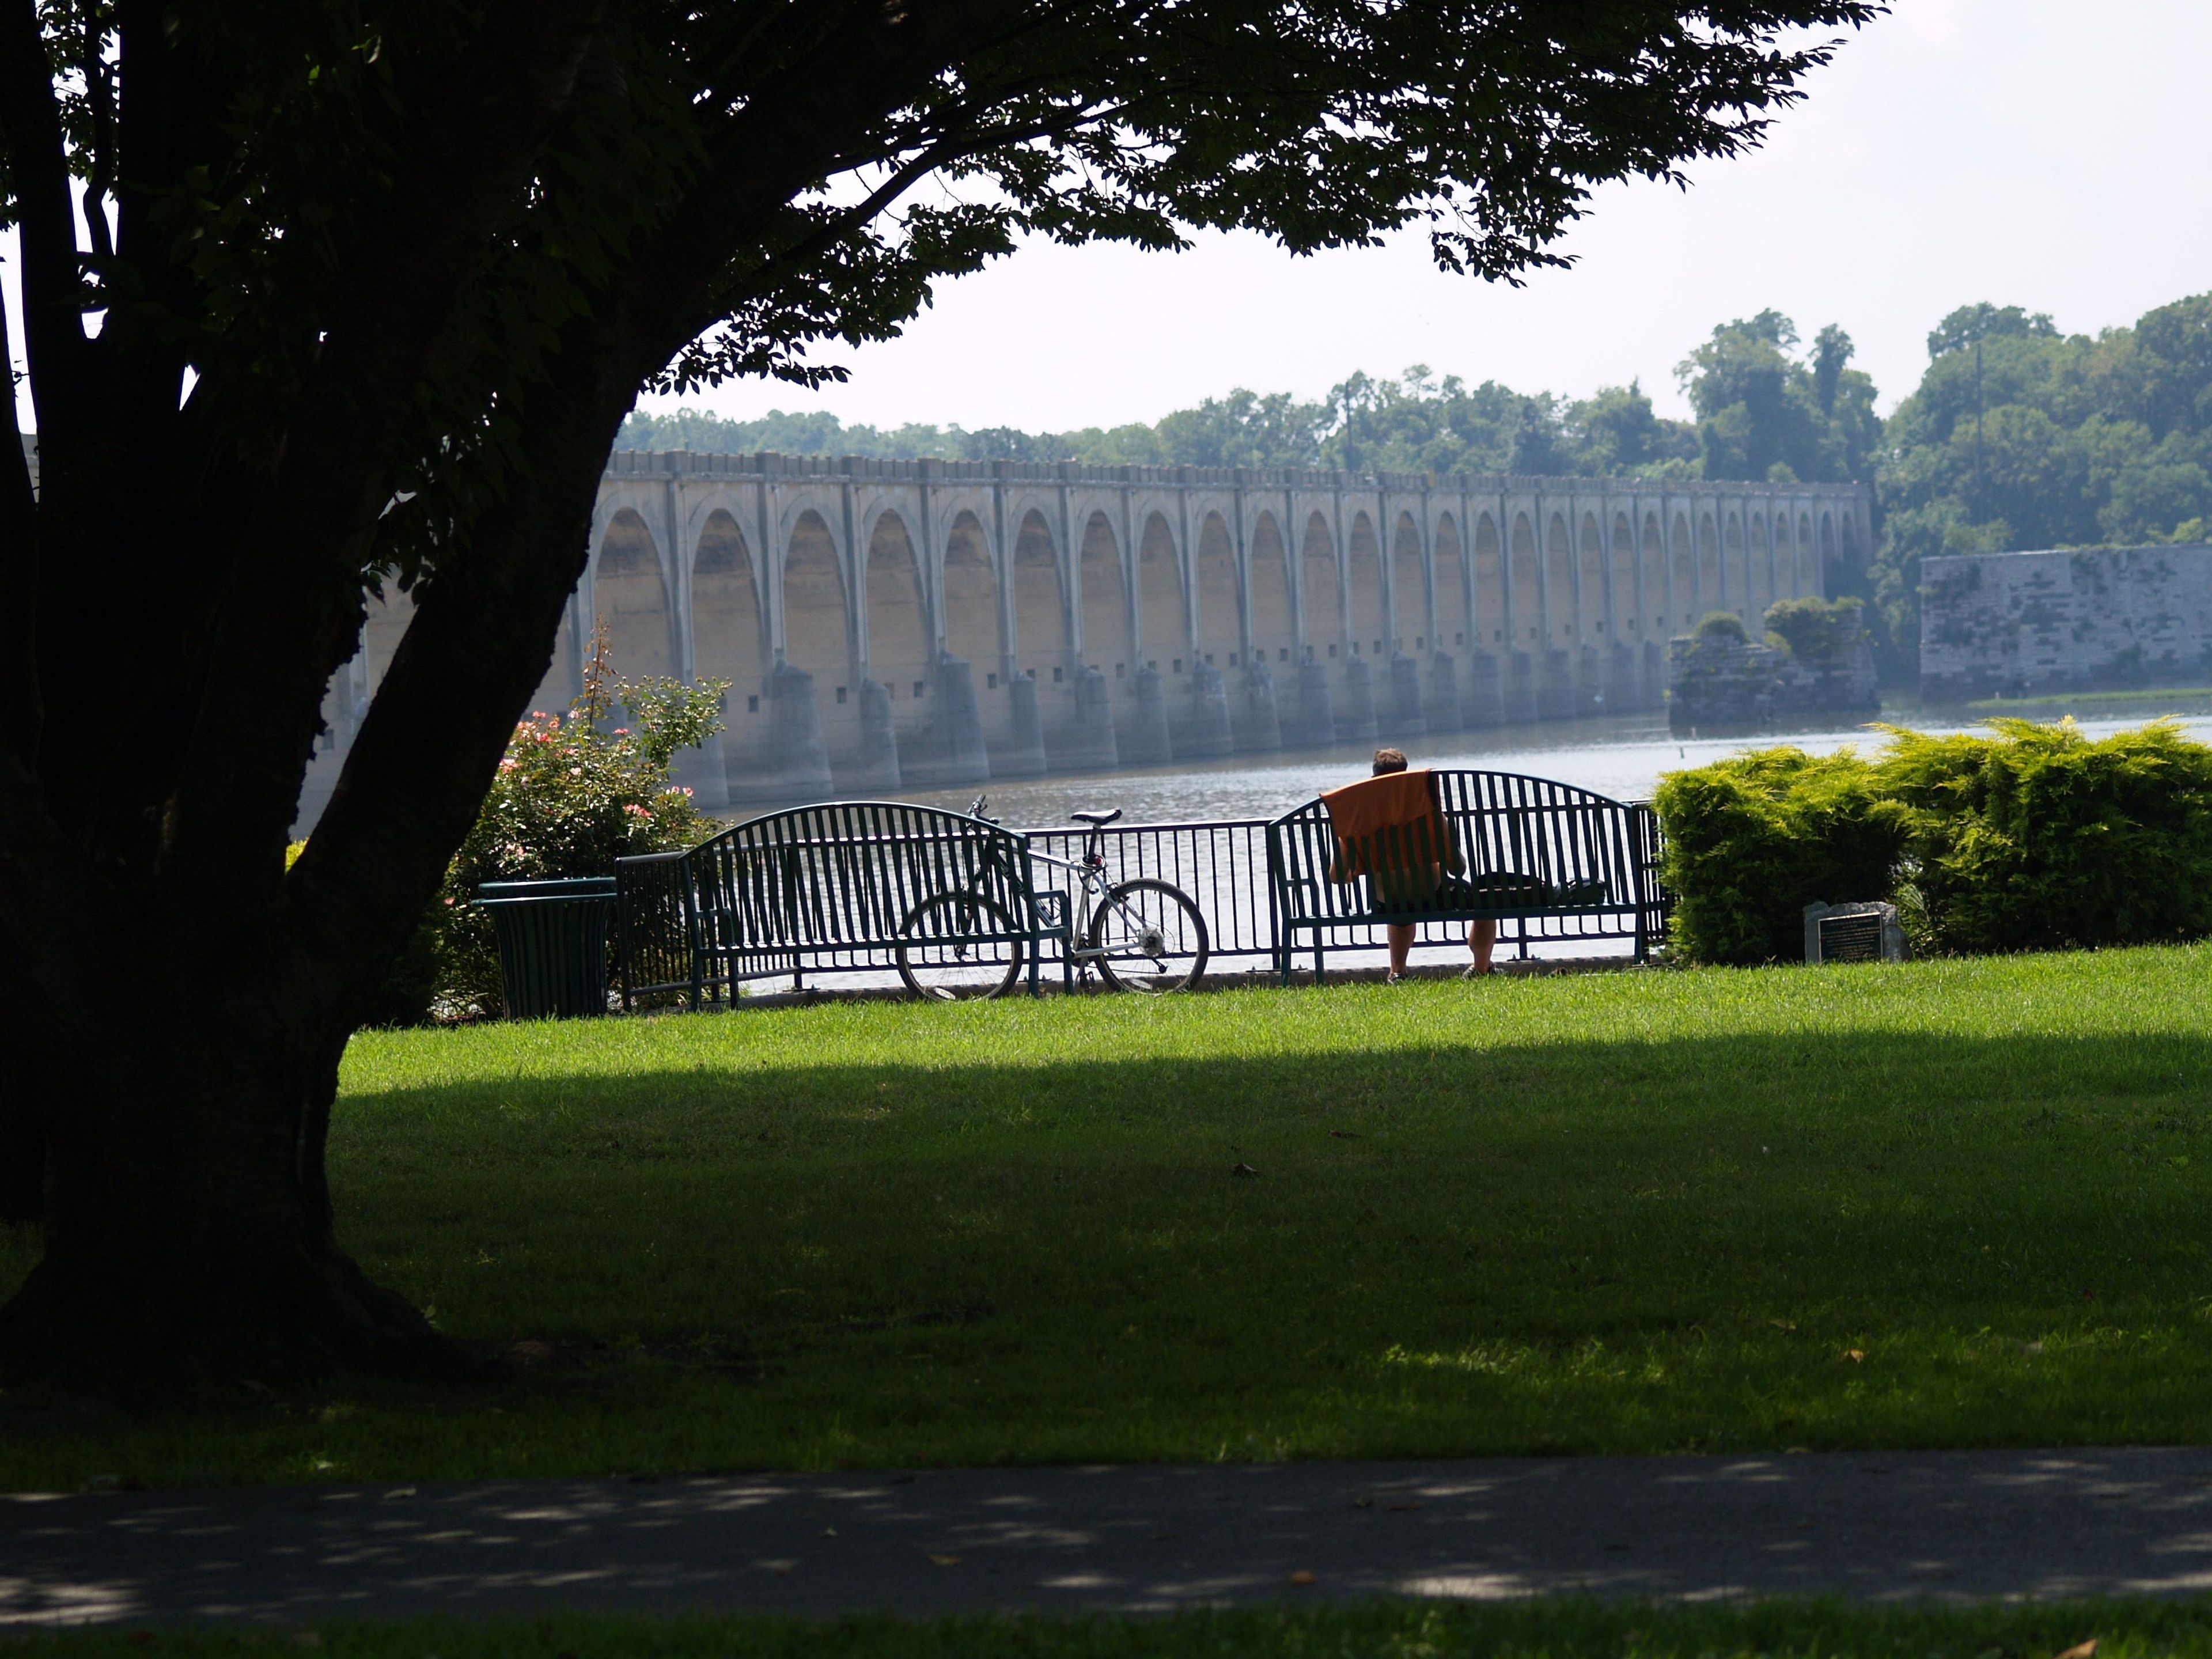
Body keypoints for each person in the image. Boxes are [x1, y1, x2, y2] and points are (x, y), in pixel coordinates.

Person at [1330, 748, 1496, 984]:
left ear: (1373, 780)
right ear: (1407, 777)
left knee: (1398, 905)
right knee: (1486, 902)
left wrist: (1351, 876)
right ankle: (1482, 969)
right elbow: (1457, 869)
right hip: (1436, 896)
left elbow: (1337, 876)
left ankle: (1398, 972)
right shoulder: (1429, 813)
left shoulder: (1357, 820)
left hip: (1387, 903)